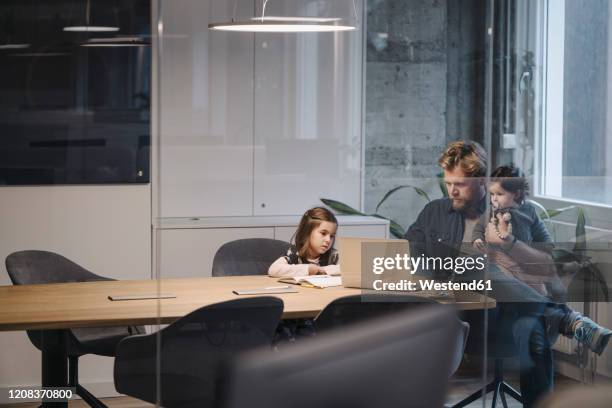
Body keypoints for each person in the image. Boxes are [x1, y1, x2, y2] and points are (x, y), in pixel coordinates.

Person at [405, 140, 556, 407]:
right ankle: (555, 312)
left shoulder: (521, 213)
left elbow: (546, 265)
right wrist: (428, 280)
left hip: (506, 313)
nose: (451, 191)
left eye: (460, 184)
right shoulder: (434, 212)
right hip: (457, 312)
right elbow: (408, 252)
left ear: (482, 181)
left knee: (532, 330)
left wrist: (509, 245)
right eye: (448, 183)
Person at [473, 164, 611, 355]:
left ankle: (576, 324)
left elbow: (546, 245)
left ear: (517, 194)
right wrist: (478, 240)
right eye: (492, 194)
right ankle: (574, 323)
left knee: (538, 293)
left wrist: (526, 250)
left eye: (499, 194)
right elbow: (478, 231)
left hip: (527, 269)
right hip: (503, 272)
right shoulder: (490, 214)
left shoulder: (529, 212)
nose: (494, 199)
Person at [268, 207, 340, 278]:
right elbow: (273, 270)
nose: (328, 240)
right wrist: (308, 269)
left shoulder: (333, 255)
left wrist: (321, 270)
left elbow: (349, 268)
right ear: (307, 232)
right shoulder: (295, 253)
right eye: (323, 233)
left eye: (332, 236)